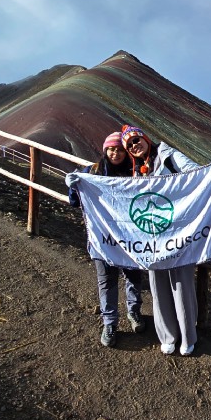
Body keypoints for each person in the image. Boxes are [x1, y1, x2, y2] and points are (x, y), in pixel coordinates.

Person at [121, 124, 211, 356]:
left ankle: (188, 336)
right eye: (129, 145)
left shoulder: (168, 156)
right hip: (151, 237)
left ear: (145, 138)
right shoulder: (136, 169)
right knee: (158, 284)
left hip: (179, 234)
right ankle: (168, 336)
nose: (134, 146)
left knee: (181, 284)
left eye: (136, 140)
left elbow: (195, 174)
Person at [67, 132, 145, 348]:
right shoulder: (92, 172)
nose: (116, 153)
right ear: (105, 150)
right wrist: (73, 187)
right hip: (104, 238)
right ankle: (109, 323)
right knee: (107, 279)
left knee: (134, 276)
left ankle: (134, 311)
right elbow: (75, 202)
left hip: (131, 237)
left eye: (120, 149)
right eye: (112, 149)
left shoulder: (136, 172)